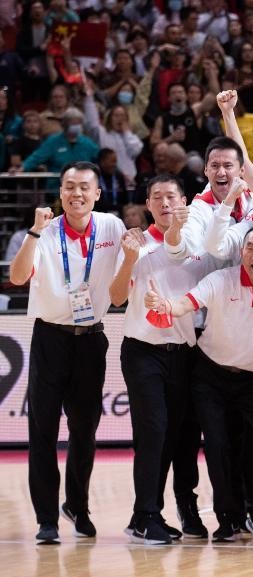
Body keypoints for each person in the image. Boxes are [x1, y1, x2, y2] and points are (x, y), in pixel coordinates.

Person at [143, 226, 253, 542]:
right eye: (250, 248)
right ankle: (228, 520)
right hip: (210, 378)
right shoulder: (220, 280)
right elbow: (186, 303)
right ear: (241, 252)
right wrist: (166, 306)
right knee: (217, 446)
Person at [8, 162, 127, 544]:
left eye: (84, 187)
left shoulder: (111, 227)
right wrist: (33, 232)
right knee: (42, 430)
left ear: (97, 193)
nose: (77, 193)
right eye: (69, 187)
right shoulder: (44, 231)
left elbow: (124, 283)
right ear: (60, 193)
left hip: (91, 339)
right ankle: (46, 519)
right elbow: (17, 277)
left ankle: (77, 505)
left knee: (85, 431)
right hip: (50, 337)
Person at [107, 175, 221, 544]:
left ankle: (152, 514)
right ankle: (145, 515)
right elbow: (116, 297)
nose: (165, 202)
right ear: (148, 204)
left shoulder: (198, 246)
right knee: (153, 430)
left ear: (184, 201)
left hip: (185, 353)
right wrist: (128, 259)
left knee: (177, 436)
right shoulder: (135, 244)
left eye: (171, 196)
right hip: (143, 351)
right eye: (157, 197)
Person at [165, 137, 253, 262]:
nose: (221, 172)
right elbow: (179, 251)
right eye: (215, 166)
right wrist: (174, 229)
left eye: (228, 166)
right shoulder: (198, 208)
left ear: (241, 170)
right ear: (206, 170)